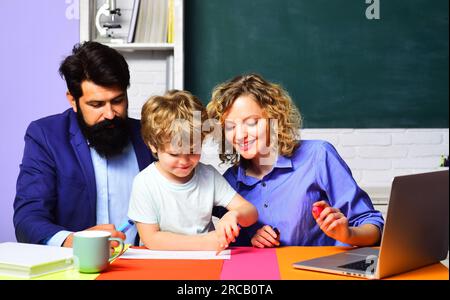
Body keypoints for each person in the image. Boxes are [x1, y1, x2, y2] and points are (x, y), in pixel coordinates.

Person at [207, 74, 384, 248]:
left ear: (274, 118)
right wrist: (251, 238)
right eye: (230, 127)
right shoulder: (229, 182)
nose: (240, 135)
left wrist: (348, 234)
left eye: (252, 122)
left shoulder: (318, 156)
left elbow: (373, 225)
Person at [13, 41, 154, 247]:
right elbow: (28, 218)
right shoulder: (45, 136)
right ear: (73, 101)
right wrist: (74, 241)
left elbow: (201, 180)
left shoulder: (149, 134)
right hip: (78, 268)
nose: (109, 114)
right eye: (96, 104)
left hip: (147, 268)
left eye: (117, 101)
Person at [128, 90, 258, 251]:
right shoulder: (144, 183)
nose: (184, 161)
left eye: (193, 151)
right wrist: (208, 242)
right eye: (174, 153)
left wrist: (235, 214)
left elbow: (250, 212)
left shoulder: (208, 175)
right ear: (153, 145)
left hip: (206, 263)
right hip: (160, 263)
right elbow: (152, 239)